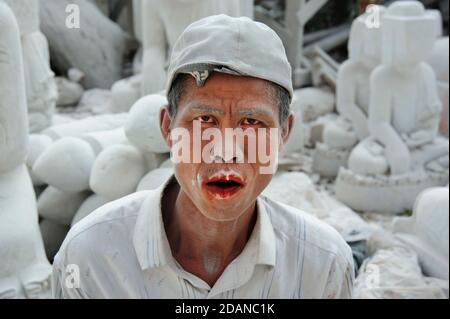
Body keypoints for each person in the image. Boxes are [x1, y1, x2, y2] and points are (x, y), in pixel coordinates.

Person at [53, 15, 354, 299]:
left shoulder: (321, 266)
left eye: (252, 123)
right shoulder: (90, 257)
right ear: (167, 128)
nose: (225, 150)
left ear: (284, 134)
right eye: (204, 120)